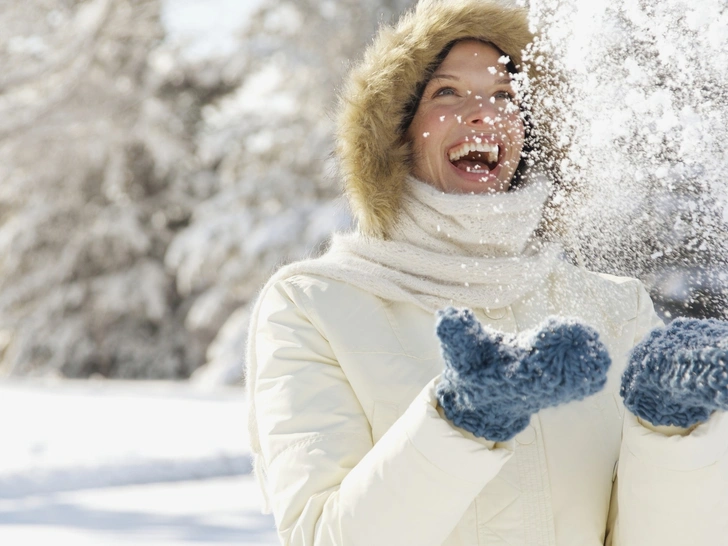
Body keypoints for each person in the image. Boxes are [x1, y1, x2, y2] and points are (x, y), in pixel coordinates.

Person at [246, 1, 728, 545]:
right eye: (447, 93)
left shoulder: (616, 308)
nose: (483, 114)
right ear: (396, 131)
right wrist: (459, 422)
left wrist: (672, 430)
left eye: (504, 94)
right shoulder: (314, 305)